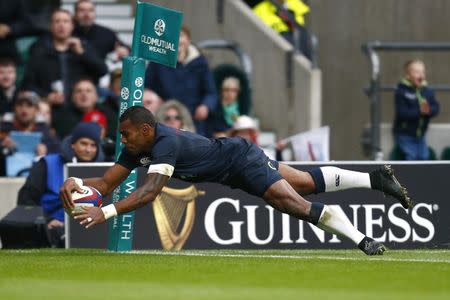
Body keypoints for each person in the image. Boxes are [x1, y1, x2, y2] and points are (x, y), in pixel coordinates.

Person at [60, 106, 413, 256]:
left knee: (291, 203)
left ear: (146, 129)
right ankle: (376, 178)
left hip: (240, 160)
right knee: (304, 182)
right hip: (235, 157)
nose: (123, 141)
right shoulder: (138, 148)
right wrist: (76, 182)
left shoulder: (163, 143)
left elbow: (151, 191)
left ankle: (362, 240)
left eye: (126, 134)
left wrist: (103, 214)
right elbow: (106, 184)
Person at [18, 122, 103, 247]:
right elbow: (25, 199)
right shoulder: (46, 164)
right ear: (72, 144)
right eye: (83, 143)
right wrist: (47, 220)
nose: (88, 149)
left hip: (88, 231)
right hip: (49, 230)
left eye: (93, 145)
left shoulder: (104, 170)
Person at [21, 9, 107, 105]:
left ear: (72, 26)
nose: (61, 25)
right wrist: (46, 96)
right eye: (57, 21)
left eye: (65, 21)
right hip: (50, 106)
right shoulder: (39, 49)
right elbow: (28, 83)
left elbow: (102, 71)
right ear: (51, 26)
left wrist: (82, 53)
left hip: (80, 105)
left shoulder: (84, 46)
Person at [144, 25, 218, 136]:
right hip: (164, 119)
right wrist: (155, 100)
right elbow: (146, 88)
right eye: (173, 37)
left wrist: (205, 106)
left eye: (181, 36)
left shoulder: (200, 62)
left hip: (193, 120)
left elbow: (211, 92)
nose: (177, 40)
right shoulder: (157, 62)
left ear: (188, 40)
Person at [393, 59, 440, 160]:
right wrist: (420, 111)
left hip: (421, 135)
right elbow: (402, 113)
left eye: (423, 72)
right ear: (408, 75)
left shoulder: (427, 91)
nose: (421, 75)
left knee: (424, 157)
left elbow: (436, 108)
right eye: (417, 72)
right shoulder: (402, 91)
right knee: (411, 156)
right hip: (404, 134)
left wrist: (429, 111)